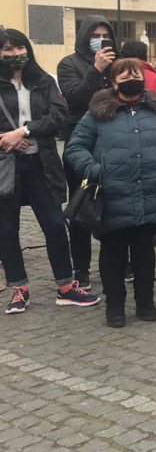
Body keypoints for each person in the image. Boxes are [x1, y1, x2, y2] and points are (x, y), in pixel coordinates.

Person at [65, 58, 156, 328]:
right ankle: (115, 305)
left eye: (136, 75)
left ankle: (145, 302)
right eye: (125, 76)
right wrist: (96, 171)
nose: (132, 80)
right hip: (111, 196)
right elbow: (75, 147)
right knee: (112, 254)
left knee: (144, 252)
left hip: (148, 193)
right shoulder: (97, 113)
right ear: (114, 82)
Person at [1, 29, 99, 314]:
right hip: (6, 165)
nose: (15, 54)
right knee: (7, 230)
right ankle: (19, 288)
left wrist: (24, 131)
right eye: (8, 49)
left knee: (55, 225)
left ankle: (66, 286)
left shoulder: (43, 80)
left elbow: (58, 117)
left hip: (41, 165)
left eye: (20, 48)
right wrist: (5, 139)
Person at [57, 14, 118, 291]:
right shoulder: (68, 64)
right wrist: (96, 69)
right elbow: (75, 98)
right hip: (81, 144)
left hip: (113, 141)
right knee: (81, 203)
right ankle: (81, 267)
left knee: (116, 203)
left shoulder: (117, 63)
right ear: (84, 37)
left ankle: (119, 261)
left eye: (105, 36)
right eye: (95, 36)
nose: (101, 41)